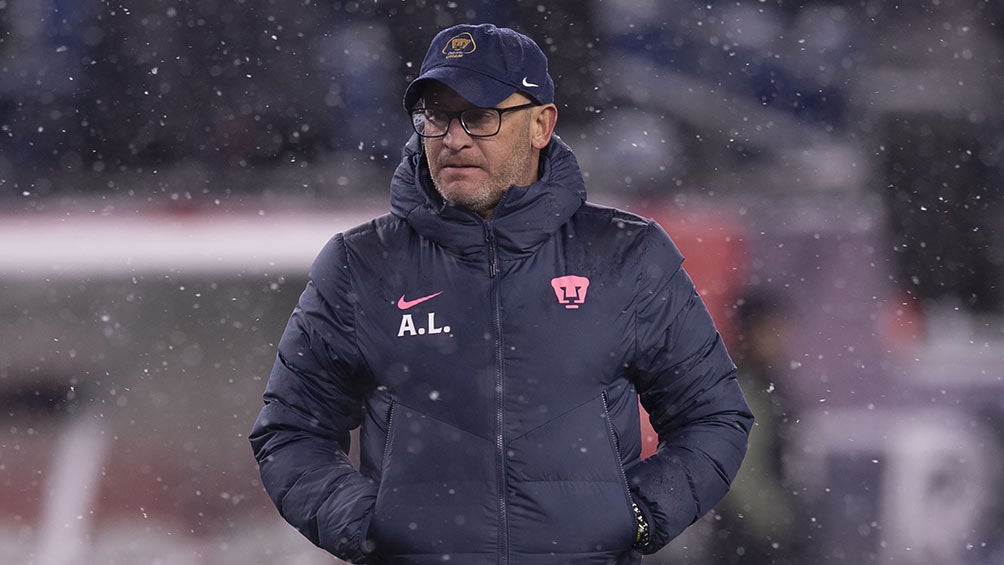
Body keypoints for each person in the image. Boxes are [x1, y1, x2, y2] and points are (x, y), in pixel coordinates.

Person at [250, 23, 752, 565]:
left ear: (541, 125)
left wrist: (635, 515)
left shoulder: (627, 255)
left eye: (480, 116)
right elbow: (290, 431)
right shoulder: (360, 264)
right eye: (436, 115)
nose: (453, 138)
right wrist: (368, 525)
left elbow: (715, 417)